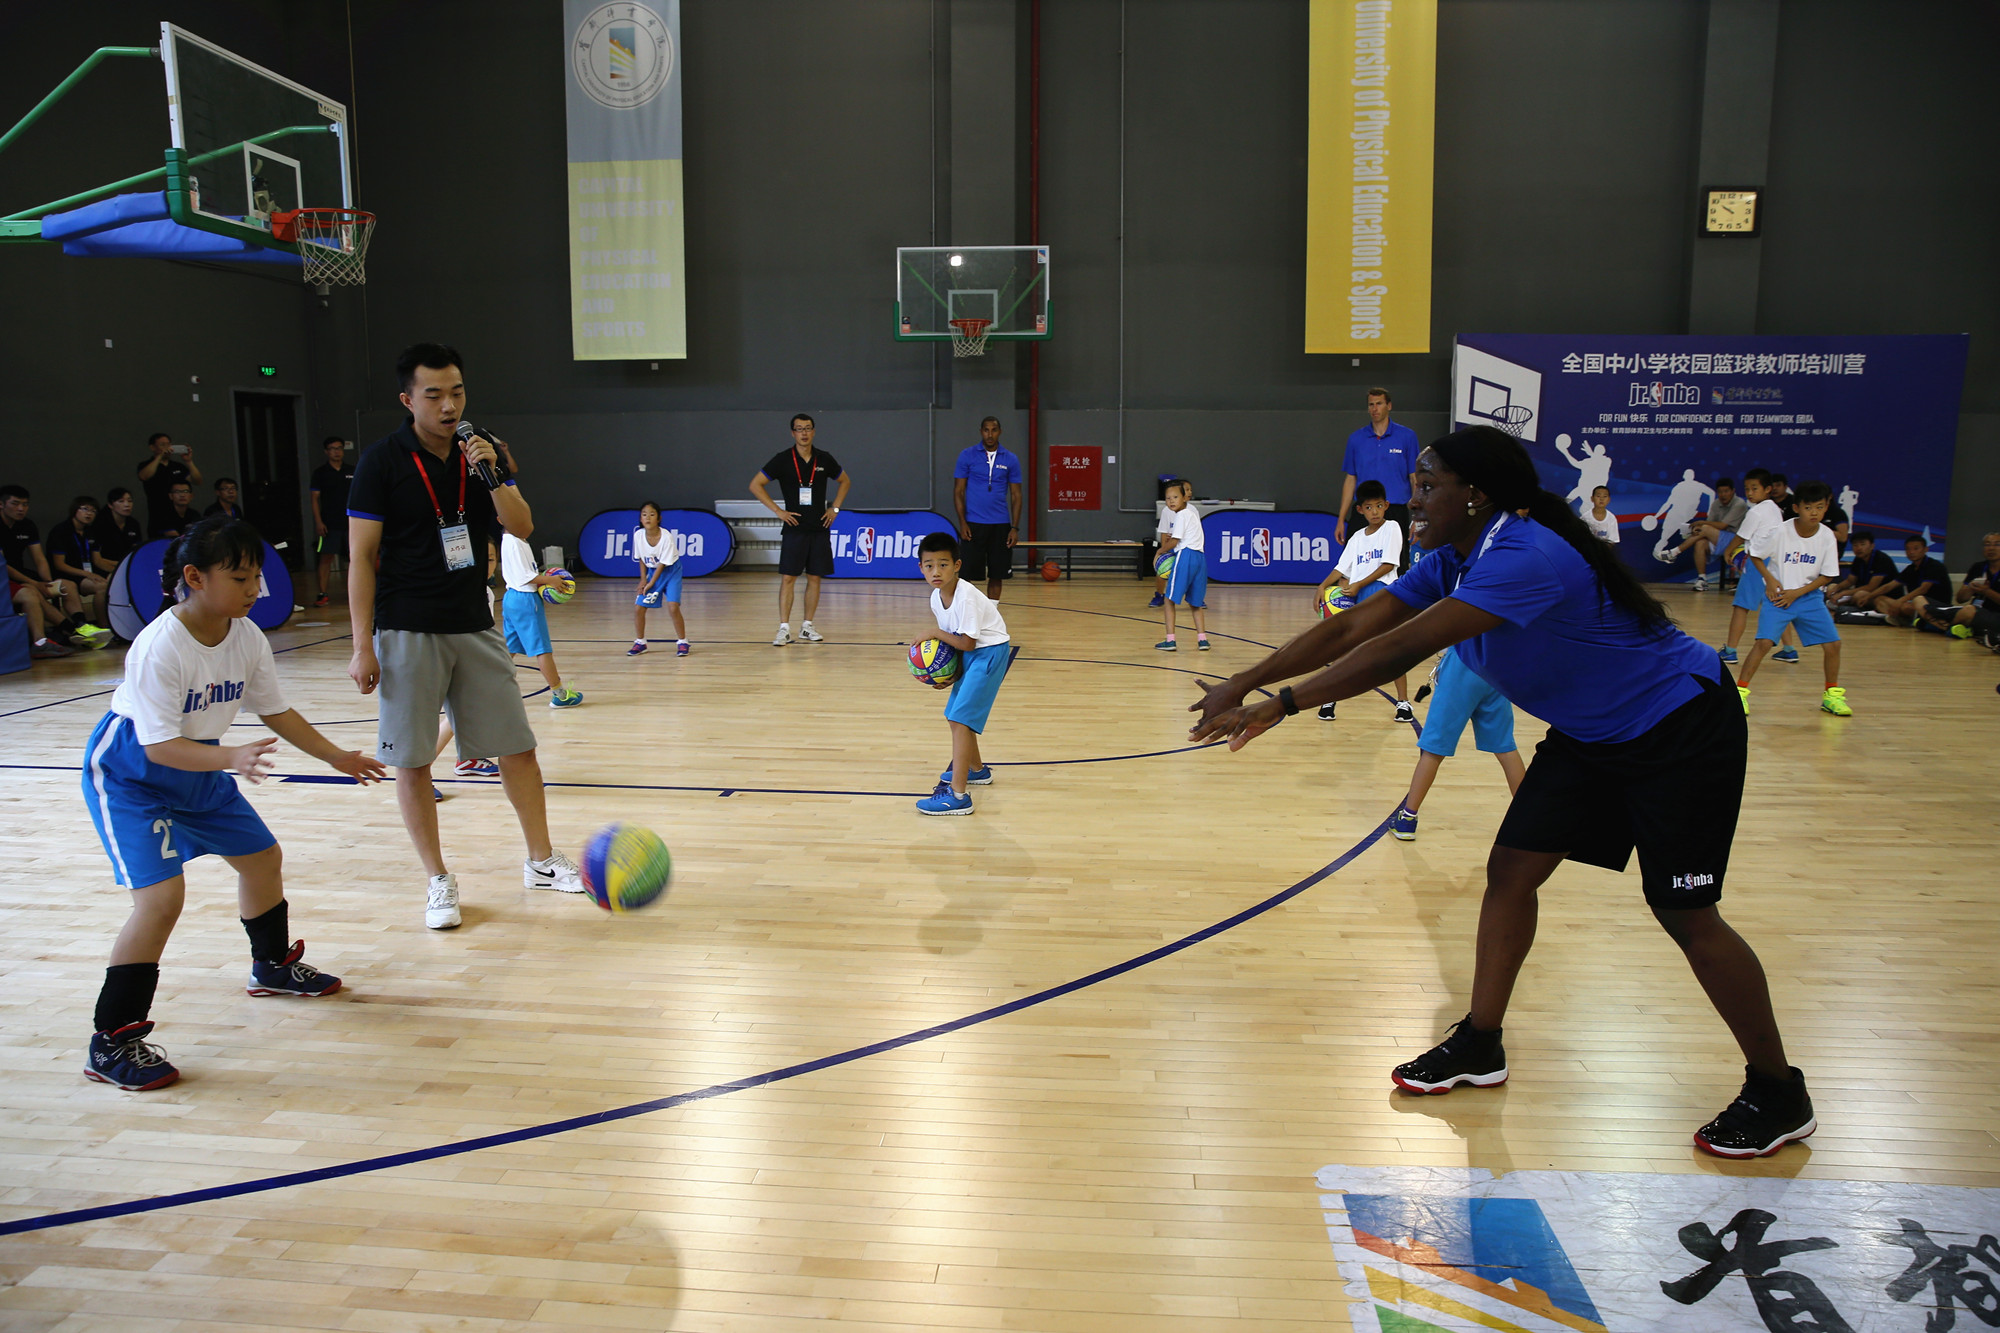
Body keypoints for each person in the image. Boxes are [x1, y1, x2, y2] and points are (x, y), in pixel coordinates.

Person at [1188, 426, 1815, 1159]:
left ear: (1476, 495)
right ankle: (1481, 1042)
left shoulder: (1524, 554)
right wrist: (1243, 678)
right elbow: (1363, 618)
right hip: (1593, 732)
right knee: (1511, 871)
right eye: (1414, 487)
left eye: (1428, 488)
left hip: (1678, 724)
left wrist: (1280, 704)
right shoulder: (1456, 555)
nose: (1412, 501)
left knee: (1685, 912)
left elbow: (1399, 647)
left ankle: (1778, 1089)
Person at [79, 517, 386, 1090]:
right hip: (134, 776)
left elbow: (275, 711)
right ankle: (112, 1038)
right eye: (241, 577)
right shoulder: (158, 647)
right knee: (161, 900)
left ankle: (271, 965)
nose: (255, 589)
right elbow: (159, 746)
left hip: (199, 765)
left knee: (262, 858)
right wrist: (230, 758)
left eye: (258, 578)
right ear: (194, 578)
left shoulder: (245, 636)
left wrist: (335, 755)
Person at [346, 343, 584, 930]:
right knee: (413, 761)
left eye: (457, 392)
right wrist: (361, 644)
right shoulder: (382, 463)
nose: (449, 405)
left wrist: (494, 471)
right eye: (434, 395)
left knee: (517, 747)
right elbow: (360, 557)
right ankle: (437, 880)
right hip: (406, 627)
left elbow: (522, 526)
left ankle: (540, 860)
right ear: (409, 400)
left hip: (475, 622)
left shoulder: (481, 457)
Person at [911, 532, 1012, 816]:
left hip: (989, 653)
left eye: (943, 564)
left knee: (960, 718)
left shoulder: (966, 595)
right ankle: (977, 770)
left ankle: (957, 796)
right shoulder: (936, 597)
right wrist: (945, 675)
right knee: (955, 715)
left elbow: (966, 642)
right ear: (921, 568)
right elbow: (955, 643)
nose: (936, 572)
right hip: (971, 654)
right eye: (929, 565)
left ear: (957, 565)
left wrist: (932, 632)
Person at [1387, 646, 1526, 842]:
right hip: (1496, 666)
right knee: (1505, 747)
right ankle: (1528, 820)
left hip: (1462, 664)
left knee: (1433, 749)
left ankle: (1407, 819)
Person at [1735, 482, 1849, 717]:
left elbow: (1827, 575)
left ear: (1826, 507)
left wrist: (1797, 593)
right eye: (1809, 508)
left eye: (1819, 507)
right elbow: (1755, 554)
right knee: (1764, 643)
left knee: (1833, 645)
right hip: (1778, 598)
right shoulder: (1780, 531)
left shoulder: (1827, 537)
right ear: (1797, 508)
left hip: (1809, 598)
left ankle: (1832, 695)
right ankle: (1740, 693)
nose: (1814, 513)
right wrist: (1770, 579)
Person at [1314, 480, 1410, 721]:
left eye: (1379, 506)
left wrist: (1359, 584)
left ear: (1387, 505)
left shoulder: (1393, 528)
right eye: (1369, 507)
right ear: (1360, 510)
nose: (1375, 511)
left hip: (1382, 593)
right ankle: (1329, 699)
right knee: (1342, 648)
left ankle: (1403, 703)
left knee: (1390, 649)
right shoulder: (1357, 537)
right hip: (1356, 595)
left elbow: (1388, 564)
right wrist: (1323, 585)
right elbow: (1341, 568)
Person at [750, 414, 849, 646]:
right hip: (794, 527)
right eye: (799, 429)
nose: (804, 433)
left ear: (814, 431)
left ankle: (807, 626)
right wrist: (778, 511)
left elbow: (845, 481)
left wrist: (834, 508)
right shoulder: (783, 459)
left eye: (807, 428)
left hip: (819, 526)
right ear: (792, 433)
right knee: (788, 578)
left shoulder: (824, 458)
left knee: (815, 578)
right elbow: (755, 484)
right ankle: (784, 628)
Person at [3, 483, 99, 654]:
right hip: (5, 576)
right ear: (1, 504)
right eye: (15, 503)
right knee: (32, 591)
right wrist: (35, 583)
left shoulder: (27, 525)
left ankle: (81, 625)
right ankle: (59, 635)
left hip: (22, 573)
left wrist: (47, 582)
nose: (21, 509)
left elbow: (39, 558)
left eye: (25, 504)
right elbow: (3, 565)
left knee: (66, 585)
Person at [499, 526, 583, 707]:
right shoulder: (514, 542)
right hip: (525, 600)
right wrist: (550, 580)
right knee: (542, 650)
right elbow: (524, 577)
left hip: (511, 598)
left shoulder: (511, 540)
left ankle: (489, 687)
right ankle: (560, 695)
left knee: (510, 647)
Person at [1717, 469, 1791, 665]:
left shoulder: (1756, 512)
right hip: (1776, 562)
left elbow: (1742, 536)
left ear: (1768, 489)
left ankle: (1730, 651)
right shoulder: (1775, 509)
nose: (1750, 493)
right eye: (1747, 489)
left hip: (1758, 562)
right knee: (1779, 604)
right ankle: (1790, 649)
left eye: (1754, 488)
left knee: (1741, 607)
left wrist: (1728, 551)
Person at [1336, 388, 1419, 548]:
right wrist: (1341, 519)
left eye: (1379, 404)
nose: (1375, 409)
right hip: (1363, 510)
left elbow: (1414, 478)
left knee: (1396, 565)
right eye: (1371, 405)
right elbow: (1350, 479)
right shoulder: (1356, 439)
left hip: (1395, 510)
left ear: (1389, 405)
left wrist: (1417, 518)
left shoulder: (1407, 437)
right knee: (1356, 563)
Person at [952, 416, 1024, 600]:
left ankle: (992, 615)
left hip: (1000, 525)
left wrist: (1014, 528)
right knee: (966, 575)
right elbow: (958, 491)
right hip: (973, 524)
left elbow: (1016, 495)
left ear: (1000, 432)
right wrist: (963, 523)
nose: (990, 434)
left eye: (994, 430)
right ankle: (967, 614)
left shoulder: (1011, 459)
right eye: (986, 430)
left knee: (997, 574)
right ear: (981, 431)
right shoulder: (967, 455)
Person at [1914, 531, 2000, 642]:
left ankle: (1935, 626)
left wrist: (1987, 591)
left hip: (1993, 616)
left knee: (1969, 611)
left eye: (1997, 544)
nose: (1991, 548)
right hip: (1969, 610)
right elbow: (1960, 599)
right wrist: (1970, 588)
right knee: (1919, 600)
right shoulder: (1978, 567)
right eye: (1987, 544)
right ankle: (1950, 627)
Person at [1155, 479, 1210, 652]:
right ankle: (1203, 640)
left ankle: (1170, 640)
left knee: (1168, 599)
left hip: (1185, 556)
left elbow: (1175, 541)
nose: (1171, 501)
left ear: (1185, 497)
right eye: (1168, 498)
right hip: (1200, 558)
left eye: (1175, 497)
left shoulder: (1181, 515)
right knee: (1195, 603)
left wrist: (1160, 552)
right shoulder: (1193, 514)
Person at [629, 501, 689, 656]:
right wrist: (643, 579)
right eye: (644, 514)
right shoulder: (638, 535)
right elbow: (641, 558)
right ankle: (640, 642)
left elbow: (663, 563)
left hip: (671, 571)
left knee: (673, 607)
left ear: (659, 518)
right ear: (640, 519)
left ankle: (683, 642)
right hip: (651, 571)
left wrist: (651, 583)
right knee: (638, 608)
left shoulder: (666, 537)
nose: (647, 517)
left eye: (652, 514)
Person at [46, 496, 111, 632]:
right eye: (85, 509)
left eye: (93, 511)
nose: (89, 513)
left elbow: (98, 560)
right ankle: (87, 626)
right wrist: (87, 574)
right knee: (89, 586)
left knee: (103, 586)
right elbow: (59, 564)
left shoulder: (90, 532)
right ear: (75, 510)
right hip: (66, 574)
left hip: (84, 575)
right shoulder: (61, 531)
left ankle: (105, 628)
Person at [1673, 477, 1748, 592]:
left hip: (1737, 541)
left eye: (1726, 491)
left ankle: (1675, 552)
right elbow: (1709, 527)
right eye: (1720, 492)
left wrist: (1701, 524)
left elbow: (1722, 526)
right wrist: (1697, 530)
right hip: (1720, 539)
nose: (1723, 495)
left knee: (1705, 528)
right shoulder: (1716, 504)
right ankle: (1702, 579)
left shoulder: (1739, 504)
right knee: (1700, 542)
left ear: (1733, 491)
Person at [310, 437, 356, 607]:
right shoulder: (320, 473)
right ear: (326, 452)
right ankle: (323, 593)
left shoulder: (352, 470)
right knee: (326, 557)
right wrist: (318, 522)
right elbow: (315, 499)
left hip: (351, 524)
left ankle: (354, 592)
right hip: (329, 523)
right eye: (332, 448)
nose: (336, 451)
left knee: (355, 558)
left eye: (339, 448)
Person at [1877, 537, 1953, 627]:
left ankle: (1909, 620)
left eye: (1916, 548)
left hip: (1935, 606)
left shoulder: (1935, 566)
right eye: (1908, 549)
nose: (1911, 552)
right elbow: (1889, 586)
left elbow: (1923, 589)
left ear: (1925, 549)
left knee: (1905, 607)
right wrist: (1868, 596)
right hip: (1914, 605)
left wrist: (1900, 601)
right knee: (1879, 600)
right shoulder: (1910, 568)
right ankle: (1899, 619)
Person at [136, 432, 202, 534]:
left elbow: (197, 481)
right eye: (162, 445)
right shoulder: (146, 465)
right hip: (158, 513)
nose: (167, 447)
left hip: (179, 511)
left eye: (169, 444)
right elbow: (144, 476)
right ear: (152, 447)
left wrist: (188, 461)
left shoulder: (177, 466)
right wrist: (159, 456)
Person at [1645, 470, 1713, 562]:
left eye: (1690, 475)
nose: (1689, 476)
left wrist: (1710, 509)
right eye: (1687, 475)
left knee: (1689, 539)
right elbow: (1668, 503)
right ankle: (1660, 554)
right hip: (1674, 515)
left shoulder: (1698, 486)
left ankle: (1702, 557)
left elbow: (1711, 493)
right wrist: (1656, 516)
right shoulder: (1678, 487)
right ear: (1684, 476)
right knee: (1665, 537)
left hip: (1686, 518)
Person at [1826, 530, 1898, 612]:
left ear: (1872, 546)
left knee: (1859, 595)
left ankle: (1848, 606)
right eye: (1855, 545)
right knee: (1832, 587)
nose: (1859, 548)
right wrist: (1836, 589)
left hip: (1881, 595)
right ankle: (1843, 605)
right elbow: (1850, 581)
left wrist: (1843, 593)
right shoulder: (1858, 560)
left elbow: (1871, 587)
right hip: (1863, 592)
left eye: (1862, 544)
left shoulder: (1881, 559)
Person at [1555, 434, 1613, 512]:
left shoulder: (1606, 461)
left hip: (1593, 491)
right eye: (1597, 450)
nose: (1598, 451)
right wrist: (1565, 452)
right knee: (1578, 492)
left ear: (1603, 452)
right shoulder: (1588, 461)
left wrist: (1591, 454)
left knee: (1578, 492)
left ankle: (1561, 507)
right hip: (1586, 491)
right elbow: (1575, 463)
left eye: (1600, 450)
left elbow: (1598, 461)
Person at [92, 487, 145, 573]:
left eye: (130, 501)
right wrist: (119, 570)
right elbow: (97, 560)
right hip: (106, 569)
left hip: (127, 567)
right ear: (110, 505)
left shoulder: (133, 524)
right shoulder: (99, 524)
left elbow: (136, 552)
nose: (127, 505)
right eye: (121, 501)